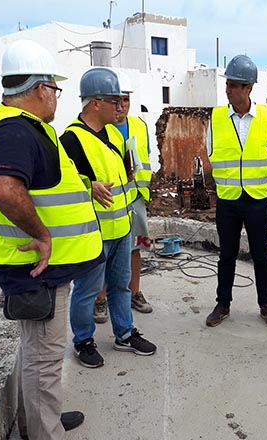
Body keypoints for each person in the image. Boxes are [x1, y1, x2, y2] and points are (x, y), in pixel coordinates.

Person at [0, 39, 101, 439]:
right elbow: (6, 189)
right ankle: (44, 431)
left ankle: (43, 415)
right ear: (40, 88)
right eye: (55, 90)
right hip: (36, 268)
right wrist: (43, 235)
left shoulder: (22, 128)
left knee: (42, 355)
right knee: (44, 359)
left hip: (41, 269)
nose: (56, 100)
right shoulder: (15, 130)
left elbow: (46, 188)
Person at [60, 67, 156, 368]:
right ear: (94, 103)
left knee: (121, 285)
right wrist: (89, 186)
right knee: (87, 290)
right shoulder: (71, 140)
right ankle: (83, 340)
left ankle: (124, 333)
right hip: (93, 232)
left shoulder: (115, 134)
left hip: (121, 226)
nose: (121, 107)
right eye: (115, 101)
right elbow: (61, 187)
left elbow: (127, 174)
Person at [205, 54, 267, 328]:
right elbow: (211, 153)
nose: (228, 89)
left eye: (233, 85)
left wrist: (265, 178)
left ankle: (266, 305)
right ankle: (222, 304)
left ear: (248, 88)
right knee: (226, 255)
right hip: (227, 200)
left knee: (261, 255)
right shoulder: (216, 117)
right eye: (227, 84)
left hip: (256, 200)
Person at [92, 70, 153, 324]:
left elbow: (146, 156)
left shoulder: (139, 125)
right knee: (105, 251)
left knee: (135, 247)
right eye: (117, 101)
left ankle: (134, 292)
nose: (122, 106)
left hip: (136, 197)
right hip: (111, 200)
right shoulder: (100, 130)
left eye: (125, 100)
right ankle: (100, 299)